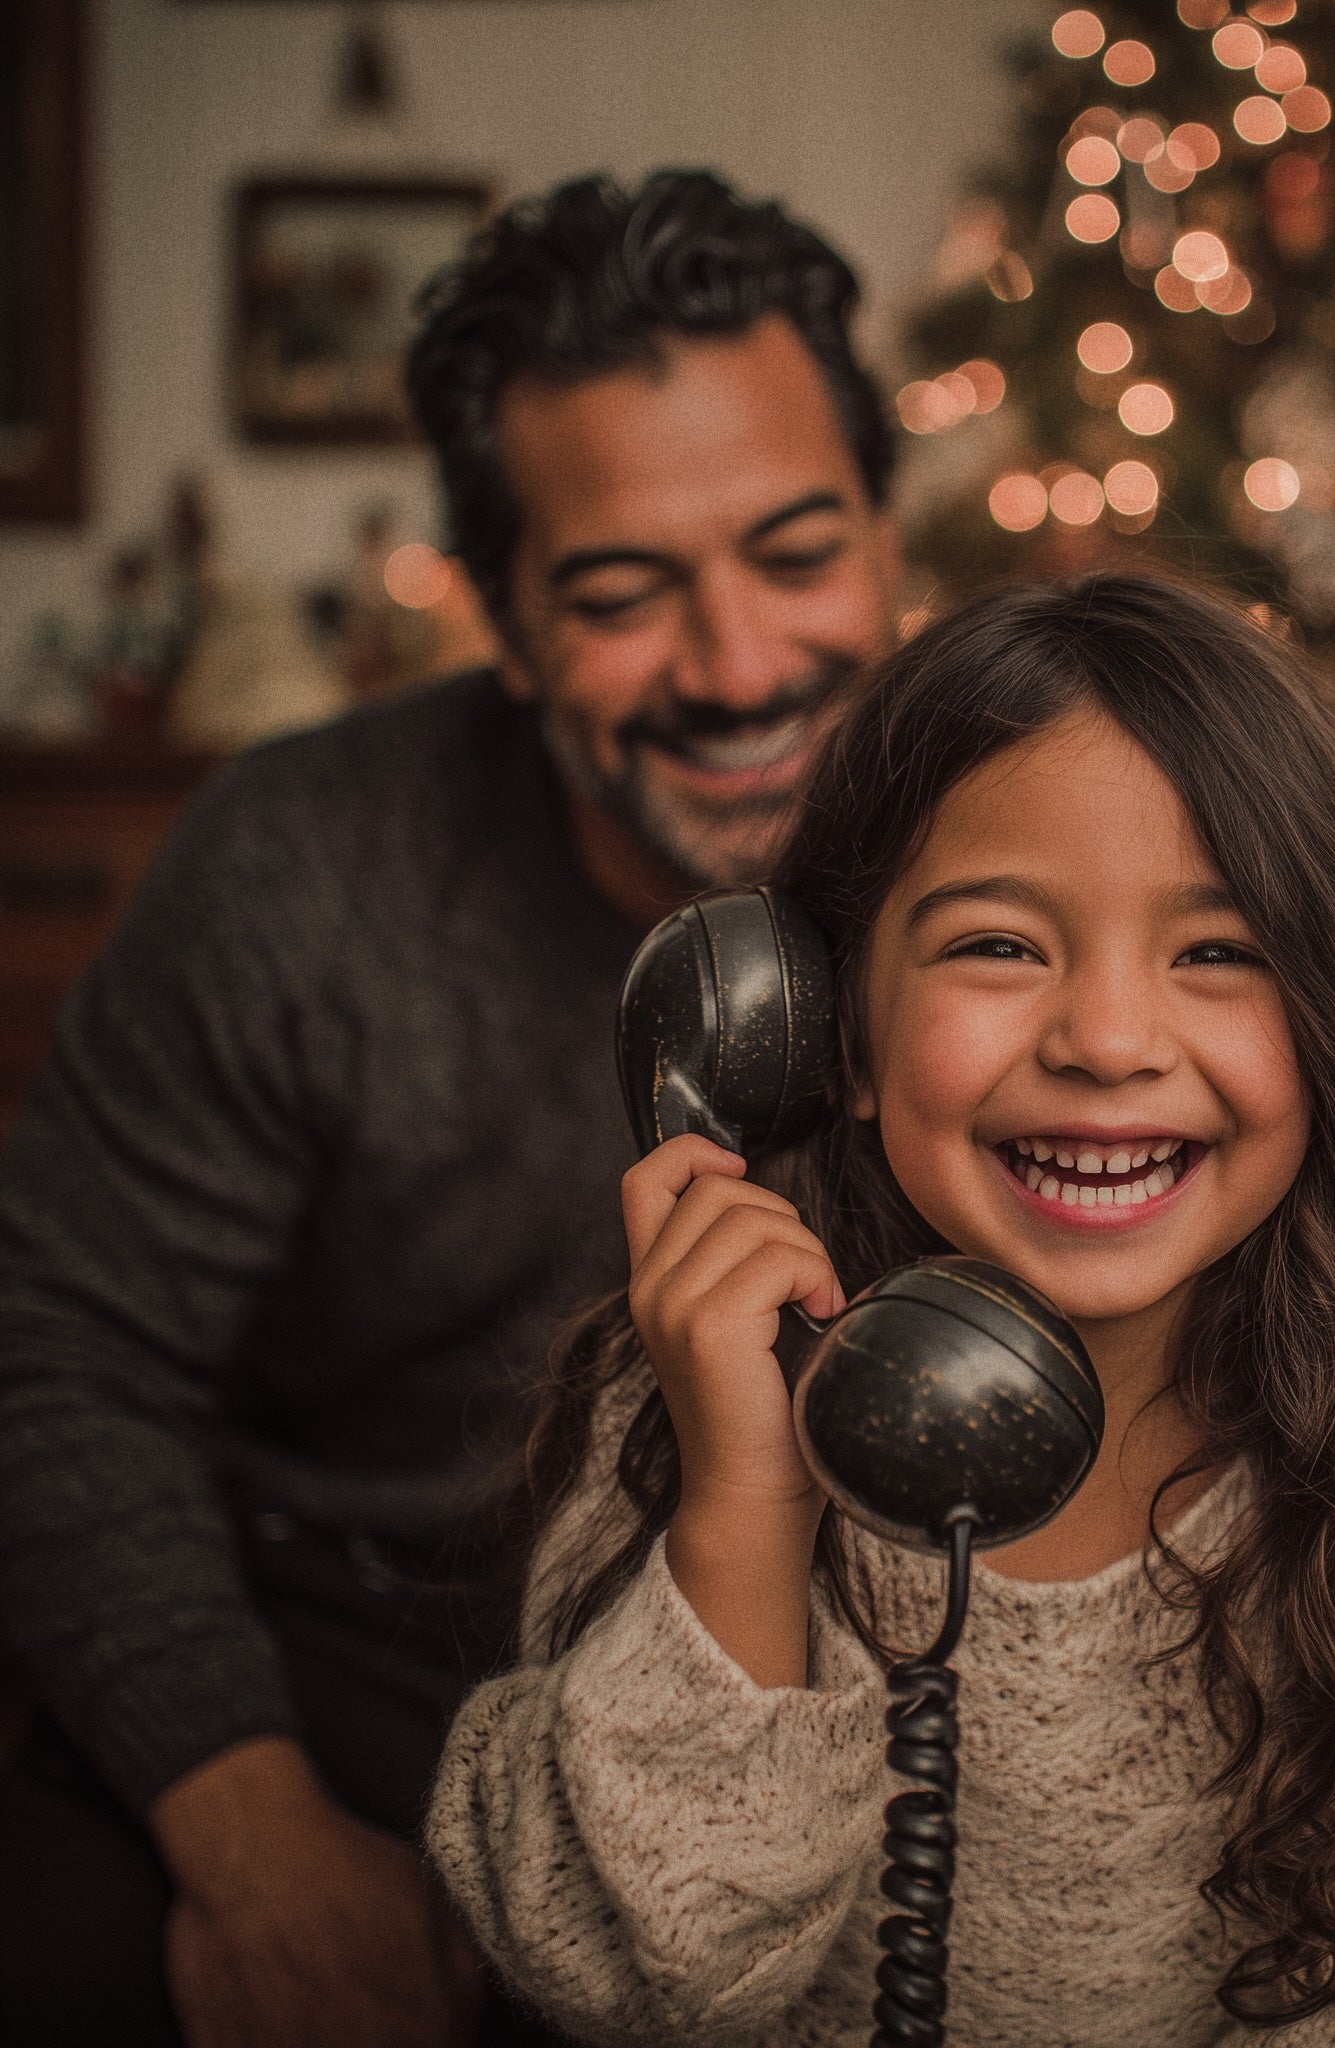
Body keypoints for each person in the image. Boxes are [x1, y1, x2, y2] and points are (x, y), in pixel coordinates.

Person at [427, 573, 1335, 2045]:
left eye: (1219, 952)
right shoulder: (695, 1392)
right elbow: (617, 1972)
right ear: (826, 1028)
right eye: (998, 944)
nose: (1108, 1042)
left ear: (1332, 1022)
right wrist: (747, 1498)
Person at [0, 167, 900, 2046]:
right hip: (341, 1656)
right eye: (621, 593)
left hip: (854, 1655)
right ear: (500, 617)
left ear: (887, 535)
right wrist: (251, 1835)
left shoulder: (1021, 864)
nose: (738, 667)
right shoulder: (296, 862)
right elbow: (62, 1355)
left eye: (798, 551)